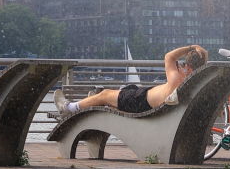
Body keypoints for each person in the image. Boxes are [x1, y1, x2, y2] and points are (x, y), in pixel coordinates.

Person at [54, 45, 207, 116]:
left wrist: (191, 47)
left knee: (105, 94)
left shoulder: (178, 78)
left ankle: (69, 108)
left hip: (141, 103)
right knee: (128, 88)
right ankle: (90, 102)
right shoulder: (197, 83)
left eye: (184, 64)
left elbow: (169, 56)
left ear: (188, 66)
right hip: (144, 98)